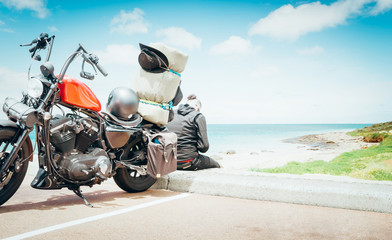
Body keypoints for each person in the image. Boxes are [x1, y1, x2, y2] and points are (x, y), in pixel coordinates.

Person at [167, 94, 220, 170]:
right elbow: (204, 147)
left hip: (169, 161)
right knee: (216, 164)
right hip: (188, 162)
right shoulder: (198, 116)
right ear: (197, 107)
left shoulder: (171, 114)